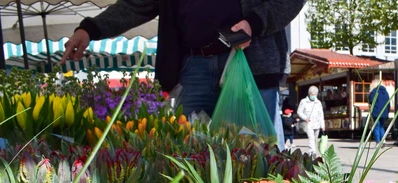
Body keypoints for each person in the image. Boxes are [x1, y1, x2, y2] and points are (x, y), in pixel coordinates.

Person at [61, 0, 306, 148]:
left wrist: (255, 22)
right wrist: (90, 29)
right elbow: (137, 5)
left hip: (252, 67)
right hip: (193, 68)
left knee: (261, 159)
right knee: (191, 159)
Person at [297, 86, 325, 156]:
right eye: (312, 94)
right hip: (309, 124)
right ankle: (312, 153)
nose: (313, 96)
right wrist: (305, 117)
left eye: (315, 94)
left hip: (317, 124)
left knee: (315, 139)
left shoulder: (318, 102)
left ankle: (313, 151)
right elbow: (299, 112)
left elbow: (321, 114)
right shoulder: (303, 101)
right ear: (309, 94)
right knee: (311, 138)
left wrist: (322, 125)